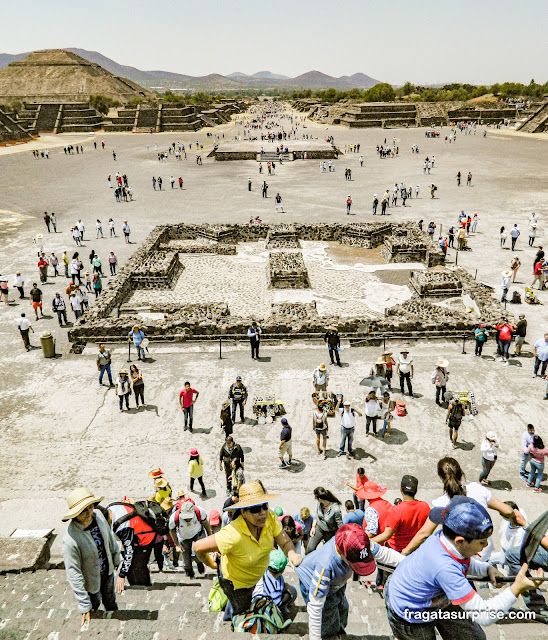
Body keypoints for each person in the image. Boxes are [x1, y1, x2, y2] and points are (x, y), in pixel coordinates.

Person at [385, 496, 542, 640]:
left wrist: (486, 569)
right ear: (460, 541)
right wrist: (516, 588)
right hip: (411, 613)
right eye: (481, 542)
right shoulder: (444, 567)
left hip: (436, 598)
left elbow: (463, 561)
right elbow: (484, 615)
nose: (487, 545)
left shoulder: (447, 538)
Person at [193, 481, 302, 620]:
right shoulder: (232, 534)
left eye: (264, 506)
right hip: (237, 584)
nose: (262, 512)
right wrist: (211, 564)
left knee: (238, 606)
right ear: (243, 512)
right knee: (240, 609)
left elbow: (285, 541)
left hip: (257, 576)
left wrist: (291, 554)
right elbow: (197, 547)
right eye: (255, 509)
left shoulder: (270, 518)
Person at [401, 457, 525, 560]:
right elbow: (507, 510)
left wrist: (404, 552)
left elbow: (424, 534)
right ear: (461, 473)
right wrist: (516, 520)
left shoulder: (441, 503)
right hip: (484, 550)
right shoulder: (477, 489)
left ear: (441, 478)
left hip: (462, 556)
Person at [296, 524, 398, 640]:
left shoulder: (358, 544)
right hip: (314, 584)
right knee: (328, 619)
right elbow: (315, 608)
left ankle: (339, 631)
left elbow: (385, 554)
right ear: (342, 553)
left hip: (337, 582)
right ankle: (331, 635)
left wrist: (409, 565)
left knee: (343, 609)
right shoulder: (325, 567)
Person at [62, 487, 121, 626]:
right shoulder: (70, 539)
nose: (89, 512)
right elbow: (73, 571)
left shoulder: (98, 515)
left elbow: (110, 538)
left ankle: (115, 617)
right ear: (75, 514)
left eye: (90, 506)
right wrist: (84, 604)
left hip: (107, 571)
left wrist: (116, 557)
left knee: (110, 599)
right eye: (83, 510)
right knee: (94, 604)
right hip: (90, 580)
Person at [371, 475, 430, 553]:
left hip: (397, 551)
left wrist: (367, 541)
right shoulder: (425, 506)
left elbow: (386, 535)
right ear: (416, 491)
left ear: (401, 490)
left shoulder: (397, 510)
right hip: (416, 548)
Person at [107, 499, 157, 588]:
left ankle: (145, 585)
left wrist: (121, 575)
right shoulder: (110, 507)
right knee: (133, 565)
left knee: (140, 565)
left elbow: (129, 552)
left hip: (146, 537)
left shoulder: (123, 527)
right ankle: (136, 584)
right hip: (135, 534)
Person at [169, 500, 211, 578]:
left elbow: (206, 524)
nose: (188, 519)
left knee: (199, 552)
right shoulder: (174, 518)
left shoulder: (199, 511)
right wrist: (177, 544)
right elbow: (172, 530)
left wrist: (210, 536)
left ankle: (200, 563)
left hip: (197, 533)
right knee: (186, 557)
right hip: (184, 537)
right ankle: (189, 573)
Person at [253, 549, 297, 620]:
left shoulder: (265, 571)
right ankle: (282, 618)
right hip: (267, 608)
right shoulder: (276, 586)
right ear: (283, 570)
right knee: (293, 591)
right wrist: (288, 593)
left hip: (258, 600)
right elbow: (277, 603)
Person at [308, 487, 343, 552]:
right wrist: (313, 527)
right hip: (320, 527)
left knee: (329, 552)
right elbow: (317, 515)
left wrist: (339, 538)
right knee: (310, 549)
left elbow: (340, 525)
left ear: (320, 499)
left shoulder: (335, 509)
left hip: (330, 531)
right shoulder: (320, 504)